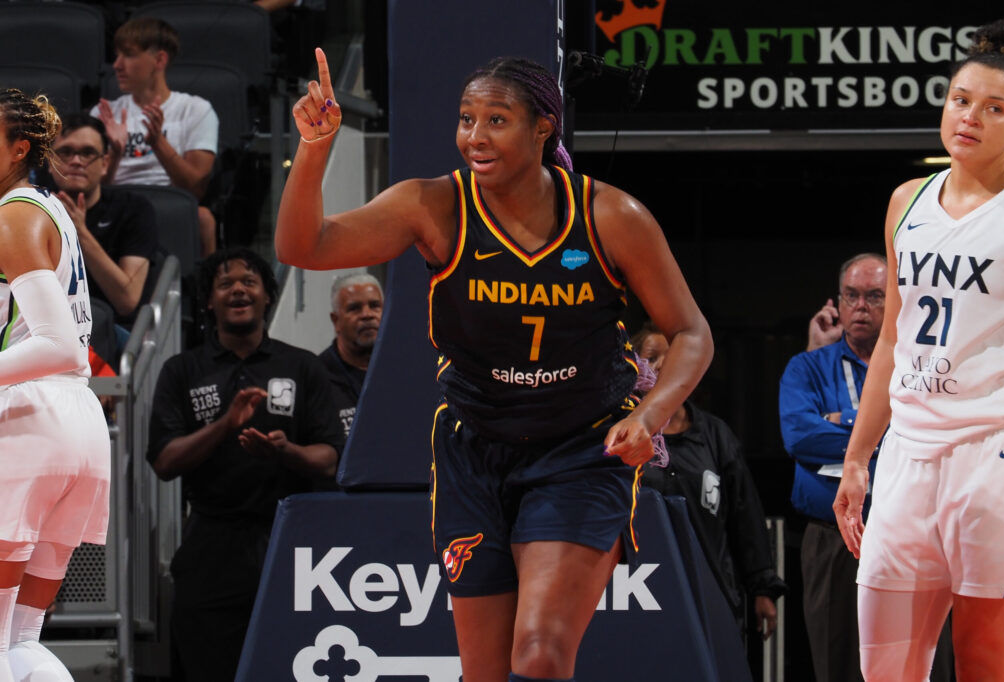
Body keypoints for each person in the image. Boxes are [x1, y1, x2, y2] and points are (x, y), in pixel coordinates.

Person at [276, 49, 713, 682]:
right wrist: (314, 149)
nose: (474, 137)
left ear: (543, 128)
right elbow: (303, 247)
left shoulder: (610, 215)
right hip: (474, 450)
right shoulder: (433, 206)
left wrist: (652, 415)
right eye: (465, 119)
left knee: (538, 654)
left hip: (582, 449)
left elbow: (691, 332)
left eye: (496, 120)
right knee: (483, 672)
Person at [834, 17, 1004, 682]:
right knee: (885, 670)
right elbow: (893, 335)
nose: (970, 117)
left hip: (998, 455)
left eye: (994, 108)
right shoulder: (906, 201)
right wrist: (858, 458)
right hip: (909, 453)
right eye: (960, 100)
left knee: (982, 664)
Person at [146, 247, 343, 681]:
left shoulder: (302, 366)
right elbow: (164, 460)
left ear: (267, 296)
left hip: (290, 543)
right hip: (210, 546)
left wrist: (284, 451)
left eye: (249, 281)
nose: (238, 289)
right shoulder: (182, 370)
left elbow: (330, 459)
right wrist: (224, 426)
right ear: (209, 301)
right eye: (225, 283)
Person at [0, 89, 110, 682]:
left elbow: (58, 341)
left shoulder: (11, 213)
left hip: (29, 417)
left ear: (19, 148)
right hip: (79, 423)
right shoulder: (51, 208)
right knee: (20, 638)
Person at [633, 324, 786, 645]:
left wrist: (762, 588)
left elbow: (745, 517)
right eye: (651, 357)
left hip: (710, 592)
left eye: (671, 355)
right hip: (639, 595)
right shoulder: (623, 437)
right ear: (633, 365)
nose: (661, 365)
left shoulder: (715, 436)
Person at [779, 253, 886, 682]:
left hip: (907, 532)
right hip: (830, 539)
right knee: (835, 659)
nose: (861, 306)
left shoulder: (915, 367)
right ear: (838, 304)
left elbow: (929, 438)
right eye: (852, 296)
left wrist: (839, 422)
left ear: (894, 300)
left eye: (875, 296)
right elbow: (800, 437)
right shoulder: (807, 367)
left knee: (922, 662)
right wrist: (879, 438)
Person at [92, 16, 219, 256]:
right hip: (114, 205)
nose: (117, 65)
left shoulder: (196, 109)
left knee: (203, 219)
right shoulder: (103, 112)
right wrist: (116, 154)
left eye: (128, 55)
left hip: (169, 205)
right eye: (117, 55)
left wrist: (158, 143)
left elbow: (195, 189)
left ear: (159, 59)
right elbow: (91, 187)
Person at [49, 113, 159, 331]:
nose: (76, 161)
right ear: (50, 162)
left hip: (112, 333)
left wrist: (79, 232)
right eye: (66, 152)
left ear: (105, 163)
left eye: (88, 153)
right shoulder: (30, 209)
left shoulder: (133, 209)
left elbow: (127, 300)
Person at [319, 271, 383, 443]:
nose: (367, 314)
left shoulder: (405, 370)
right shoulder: (317, 377)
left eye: (375, 305)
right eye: (354, 308)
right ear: (335, 321)